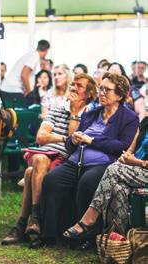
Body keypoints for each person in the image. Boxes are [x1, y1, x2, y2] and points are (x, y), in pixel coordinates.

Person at [36, 73, 139, 248]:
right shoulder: (91, 114)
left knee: (87, 182)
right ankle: (49, 235)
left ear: (120, 96)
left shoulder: (129, 118)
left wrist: (92, 140)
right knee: (52, 180)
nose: (102, 92)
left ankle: (86, 237)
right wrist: (73, 140)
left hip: (104, 163)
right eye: (101, 88)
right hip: (76, 160)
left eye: (107, 90)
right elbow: (70, 145)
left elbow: (122, 146)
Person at [1, 73, 96, 245]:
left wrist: (74, 112)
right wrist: (63, 138)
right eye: (73, 84)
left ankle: (23, 224)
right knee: (39, 159)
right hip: (43, 154)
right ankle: (36, 220)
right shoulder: (57, 109)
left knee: (30, 172)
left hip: (67, 160)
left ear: (89, 94)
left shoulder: (90, 115)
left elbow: (73, 142)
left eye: (79, 86)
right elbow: (41, 137)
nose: (73, 88)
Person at [1, 39, 50, 108]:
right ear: (46, 50)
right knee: (25, 110)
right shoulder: (34, 56)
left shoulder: (31, 55)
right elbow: (24, 75)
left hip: (9, 89)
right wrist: (29, 91)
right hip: (12, 90)